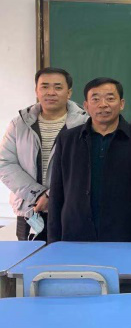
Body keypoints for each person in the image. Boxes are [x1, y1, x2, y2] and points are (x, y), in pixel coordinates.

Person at [47, 77, 131, 243]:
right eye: (96, 99)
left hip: (125, 236)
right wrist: (53, 241)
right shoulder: (67, 139)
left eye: (110, 98)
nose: (103, 105)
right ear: (86, 106)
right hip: (75, 234)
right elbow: (57, 193)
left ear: (121, 104)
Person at [0, 67, 88, 241]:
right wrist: (38, 194)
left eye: (58, 87)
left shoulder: (85, 124)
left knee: (69, 257)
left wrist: (52, 195)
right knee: (29, 257)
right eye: (45, 86)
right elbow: (5, 163)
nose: (51, 92)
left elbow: (87, 168)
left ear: (69, 92)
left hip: (71, 210)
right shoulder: (19, 124)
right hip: (30, 210)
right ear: (36, 91)